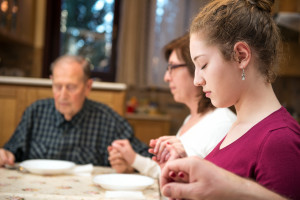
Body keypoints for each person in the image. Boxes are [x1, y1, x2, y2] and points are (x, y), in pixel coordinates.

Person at [157, 0, 300, 199]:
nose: (197, 80)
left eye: (203, 64)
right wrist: (186, 174)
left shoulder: (279, 139)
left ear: (241, 56)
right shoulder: (240, 125)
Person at [107, 34, 236, 177]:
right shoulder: (191, 119)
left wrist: (134, 160)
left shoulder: (222, 123)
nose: (166, 77)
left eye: (172, 67)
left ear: (196, 67)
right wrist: (132, 161)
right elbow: (169, 171)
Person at [0, 55, 150, 167]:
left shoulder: (108, 120)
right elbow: (11, 150)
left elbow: (144, 158)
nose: (63, 95)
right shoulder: (35, 112)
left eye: (71, 87)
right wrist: (5, 154)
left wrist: (129, 166)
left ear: (88, 87)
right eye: (58, 86)